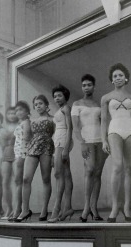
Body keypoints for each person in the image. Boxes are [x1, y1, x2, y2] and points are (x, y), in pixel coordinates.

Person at [101, 63, 131, 223]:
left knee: (130, 168)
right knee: (117, 166)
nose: (118, 78)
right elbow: (104, 121)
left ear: (126, 78)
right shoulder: (105, 98)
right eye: (115, 76)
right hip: (114, 130)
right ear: (112, 79)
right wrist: (103, 139)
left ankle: (127, 208)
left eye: (120, 75)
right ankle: (115, 207)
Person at [71, 74, 108, 222]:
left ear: (94, 86)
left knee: (98, 173)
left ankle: (94, 208)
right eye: (84, 85)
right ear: (82, 87)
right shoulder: (76, 104)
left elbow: (104, 123)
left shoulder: (99, 104)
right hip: (87, 140)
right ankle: (86, 207)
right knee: (90, 169)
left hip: (100, 140)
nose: (86, 87)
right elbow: (75, 128)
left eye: (89, 85)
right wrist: (82, 142)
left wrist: (106, 140)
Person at [15, 95, 55, 222]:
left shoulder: (53, 119)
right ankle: (25, 210)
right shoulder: (32, 121)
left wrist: (53, 154)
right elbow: (28, 136)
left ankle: (44, 210)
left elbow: (56, 136)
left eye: (41, 103)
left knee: (46, 179)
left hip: (47, 148)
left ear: (46, 105)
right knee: (26, 178)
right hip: (32, 148)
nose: (38, 106)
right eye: (36, 104)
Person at [48, 85, 74, 223]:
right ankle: (68, 207)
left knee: (58, 173)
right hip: (57, 139)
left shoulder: (66, 108)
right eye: (55, 96)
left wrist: (65, 148)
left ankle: (57, 208)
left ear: (65, 96)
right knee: (66, 174)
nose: (57, 98)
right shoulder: (59, 110)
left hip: (63, 139)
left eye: (59, 95)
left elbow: (70, 128)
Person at [8, 101, 31, 222]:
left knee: (19, 181)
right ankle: (17, 208)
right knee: (17, 181)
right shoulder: (20, 123)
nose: (18, 112)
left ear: (27, 111)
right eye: (16, 111)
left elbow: (27, 138)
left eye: (21, 110)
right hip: (18, 153)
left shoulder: (26, 122)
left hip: (23, 153)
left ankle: (19, 209)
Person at [1, 107, 18, 219]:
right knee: (5, 183)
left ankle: (17, 209)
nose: (11, 115)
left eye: (13, 113)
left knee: (17, 182)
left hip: (17, 152)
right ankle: (9, 208)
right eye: (9, 113)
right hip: (6, 153)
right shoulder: (4, 127)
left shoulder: (20, 124)